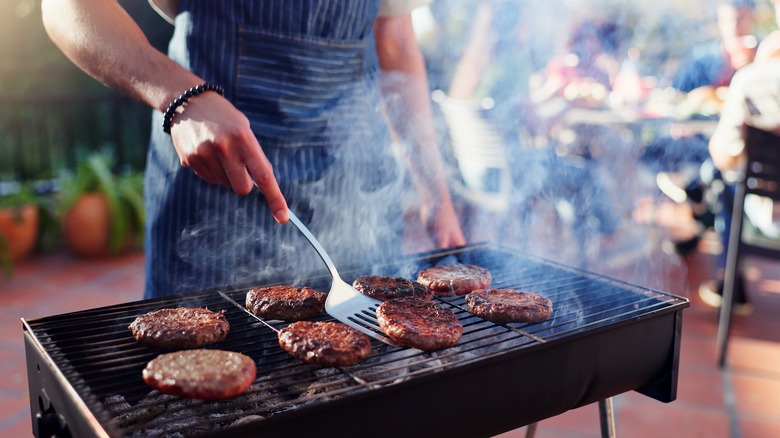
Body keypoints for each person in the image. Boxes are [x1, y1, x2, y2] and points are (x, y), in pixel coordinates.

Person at [41, 0, 465, 298]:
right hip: (211, 191)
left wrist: (436, 195)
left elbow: (396, 41)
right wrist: (180, 96)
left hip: (352, 189)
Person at [650, 0, 758, 255]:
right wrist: (683, 116)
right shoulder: (702, 58)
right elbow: (677, 98)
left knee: (718, 174)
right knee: (661, 154)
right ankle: (694, 216)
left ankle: (701, 212)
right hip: (700, 140)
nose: (734, 25)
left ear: (752, 18)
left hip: (743, 149)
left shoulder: (764, 57)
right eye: (729, 18)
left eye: (741, 17)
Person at [699, 0, 780, 314]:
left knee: (722, 176)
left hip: (771, 219)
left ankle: (731, 283)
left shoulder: (753, 80)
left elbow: (725, 156)